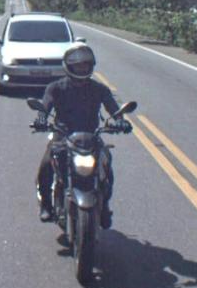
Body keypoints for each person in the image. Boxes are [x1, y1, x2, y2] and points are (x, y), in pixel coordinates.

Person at [31, 42, 127, 224]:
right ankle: (46, 205)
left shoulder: (99, 89)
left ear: (91, 65)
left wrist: (120, 120)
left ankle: (104, 206)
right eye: (78, 65)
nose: (82, 68)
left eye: (85, 64)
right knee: (46, 166)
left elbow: (113, 108)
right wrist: (41, 118)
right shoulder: (56, 87)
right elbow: (45, 106)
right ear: (69, 66)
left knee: (107, 165)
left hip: (91, 137)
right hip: (63, 136)